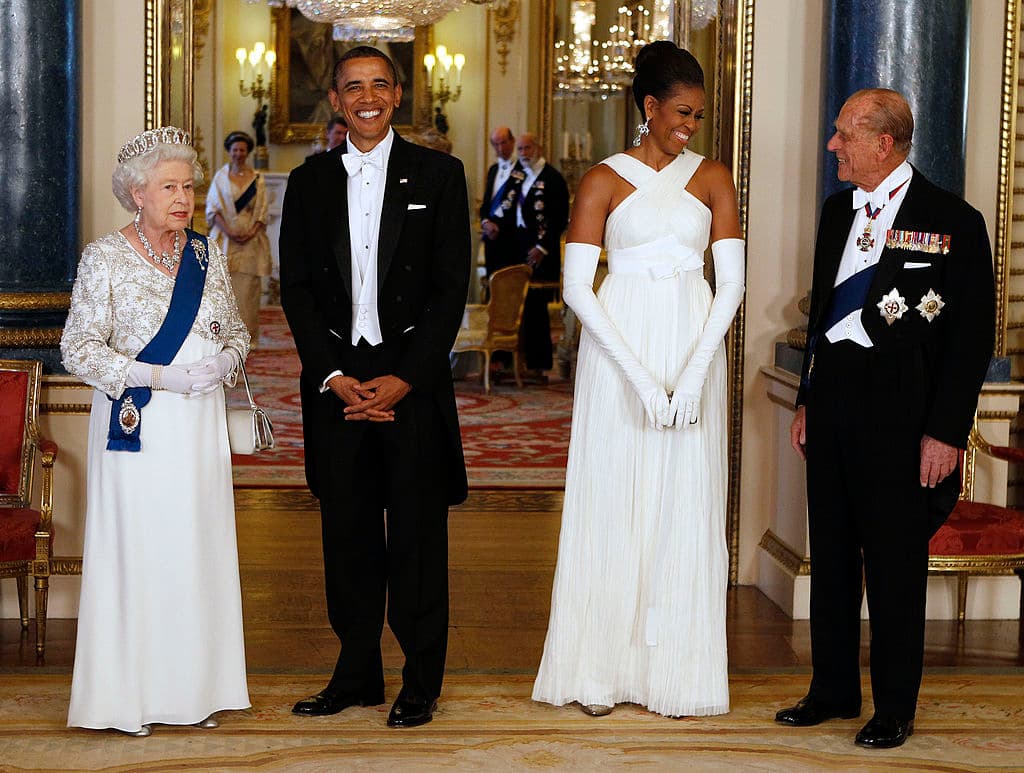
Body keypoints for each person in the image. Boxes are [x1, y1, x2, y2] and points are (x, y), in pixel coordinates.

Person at [776, 88, 995, 749]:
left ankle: (895, 705)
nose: (832, 145)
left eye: (844, 134)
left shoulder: (952, 218)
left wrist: (947, 432)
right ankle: (833, 688)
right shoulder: (838, 211)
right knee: (833, 552)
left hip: (905, 419)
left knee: (895, 564)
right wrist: (807, 399)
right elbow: (821, 321)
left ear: (884, 143)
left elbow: (970, 339)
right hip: (835, 406)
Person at [532, 41, 745, 717]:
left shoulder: (712, 176)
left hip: (692, 345)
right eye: (680, 112)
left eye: (699, 114)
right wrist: (646, 384)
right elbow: (576, 288)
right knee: (613, 496)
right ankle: (600, 668)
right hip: (618, 351)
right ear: (648, 106)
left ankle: (675, 674)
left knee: (684, 501)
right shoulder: (602, 179)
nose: (691, 125)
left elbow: (731, 286)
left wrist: (692, 374)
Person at [279, 46, 471, 729]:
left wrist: (407, 377)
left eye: (379, 85)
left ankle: (420, 679)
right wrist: (331, 376)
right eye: (352, 86)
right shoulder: (307, 183)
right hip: (336, 384)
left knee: (418, 538)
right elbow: (295, 288)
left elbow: (453, 289)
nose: (366, 97)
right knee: (348, 536)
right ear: (335, 99)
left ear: (397, 95)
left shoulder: (441, 176)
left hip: (410, 385)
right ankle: (357, 671)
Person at [61, 126, 251, 737]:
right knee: (140, 552)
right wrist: (155, 376)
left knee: (193, 551)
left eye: (189, 186)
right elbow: (79, 350)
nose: (184, 197)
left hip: (197, 431)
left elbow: (238, 335)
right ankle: (128, 698)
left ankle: (192, 693)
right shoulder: (104, 257)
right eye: (169, 186)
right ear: (136, 193)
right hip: (138, 427)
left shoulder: (206, 255)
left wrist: (225, 362)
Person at [206, 131, 271, 344]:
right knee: (224, 289)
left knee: (248, 292)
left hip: (251, 242)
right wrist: (230, 232)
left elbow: (262, 212)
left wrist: (249, 234)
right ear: (229, 151)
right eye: (235, 149)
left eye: (242, 150)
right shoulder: (220, 178)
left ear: (248, 152)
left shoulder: (257, 179)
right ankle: (224, 337)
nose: (238, 153)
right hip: (225, 240)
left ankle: (248, 338)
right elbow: (213, 210)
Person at [513, 133, 569, 379]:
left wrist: (543, 248)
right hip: (518, 250)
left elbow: (559, 218)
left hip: (541, 254)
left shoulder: (553, 178)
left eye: (527, 148)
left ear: (538, 148)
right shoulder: (518, 176)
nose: (524, 154)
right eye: (521, 149)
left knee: (536, 310)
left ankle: (539, 364)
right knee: (517, 309)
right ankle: (516, 362)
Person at [479, 126, 524, 278]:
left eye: (503, 143)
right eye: (496, 144)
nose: (500, 148)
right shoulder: (492, 170)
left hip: (512, 241)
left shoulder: (523, 170)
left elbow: (522, 207)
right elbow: (486, 204)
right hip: (492, 241)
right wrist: (485, 223)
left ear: (512, 142)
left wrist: (499, 227)